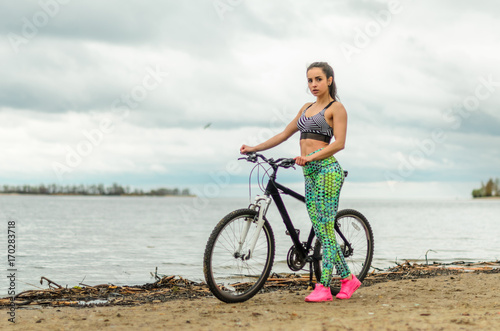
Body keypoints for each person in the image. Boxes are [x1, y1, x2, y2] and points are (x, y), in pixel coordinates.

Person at [240, 62, 361, 302]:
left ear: (329, 80)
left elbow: (339, 143)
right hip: (309, 172)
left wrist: (311, 157)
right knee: (321, 229)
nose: (313, 84)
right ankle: (348, 279)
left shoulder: (336, 108)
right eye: (309, 80)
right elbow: (284, 134)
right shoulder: (306, 108)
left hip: (327, 170)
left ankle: (324, 287)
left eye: (318, 79)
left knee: (325, 229)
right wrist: (254, 147)